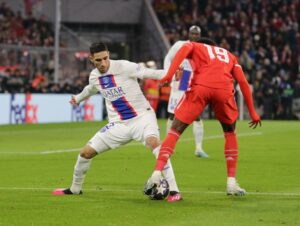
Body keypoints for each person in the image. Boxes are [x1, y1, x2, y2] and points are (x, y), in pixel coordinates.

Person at [53, 42, 182, 202]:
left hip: (142, 117)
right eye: (98, 60)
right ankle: (75, 189)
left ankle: (175, 191)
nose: (103, 63)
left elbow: (150, 72)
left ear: (108, 54)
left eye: (105, 58)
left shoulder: (123, 66)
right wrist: (78, 98)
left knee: (154, 143)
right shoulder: (94, 76)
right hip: (118, 124)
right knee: (85, 153)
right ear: (91, 59)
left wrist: (171, 72)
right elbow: (91, 89)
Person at [145, 40, 261, 196]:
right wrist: (253, 112)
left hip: (201, 86)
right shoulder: (229, 55)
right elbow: (243, 83)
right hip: (224, 89)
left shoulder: (196, 45)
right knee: (230, 132)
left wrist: (169, 75)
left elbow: (185, 48)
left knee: (175, 130)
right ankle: (231, 183)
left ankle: (157, 173)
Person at [164, 25, 208, 158]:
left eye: (196, 34)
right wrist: (168, 74)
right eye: (192, 33)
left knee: (197, 116)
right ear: (188, 34)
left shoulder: (203, 49)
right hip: (180, 81)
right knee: (173, 115)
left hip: (194, 83)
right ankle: (167, 146)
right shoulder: (179, 45)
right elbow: (168, 58)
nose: (194, 36)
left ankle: (198, 148)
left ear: (200, 36)